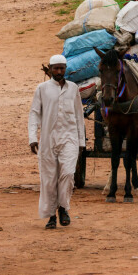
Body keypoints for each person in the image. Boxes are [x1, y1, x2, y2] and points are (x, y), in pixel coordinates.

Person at [28, 55, 85, 230]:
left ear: (65, 68)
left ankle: (63, 208)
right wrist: (32, 138)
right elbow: (34, 113)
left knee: (67, 174)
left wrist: (81, 141)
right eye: (56, 68)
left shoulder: (73, 88)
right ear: (50, 69)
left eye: (62, 68)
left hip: (69, 138)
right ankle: (51, 215)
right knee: (49, 179)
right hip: (47, 140)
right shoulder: (42, 88)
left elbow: (78, 115)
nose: (59, 71)